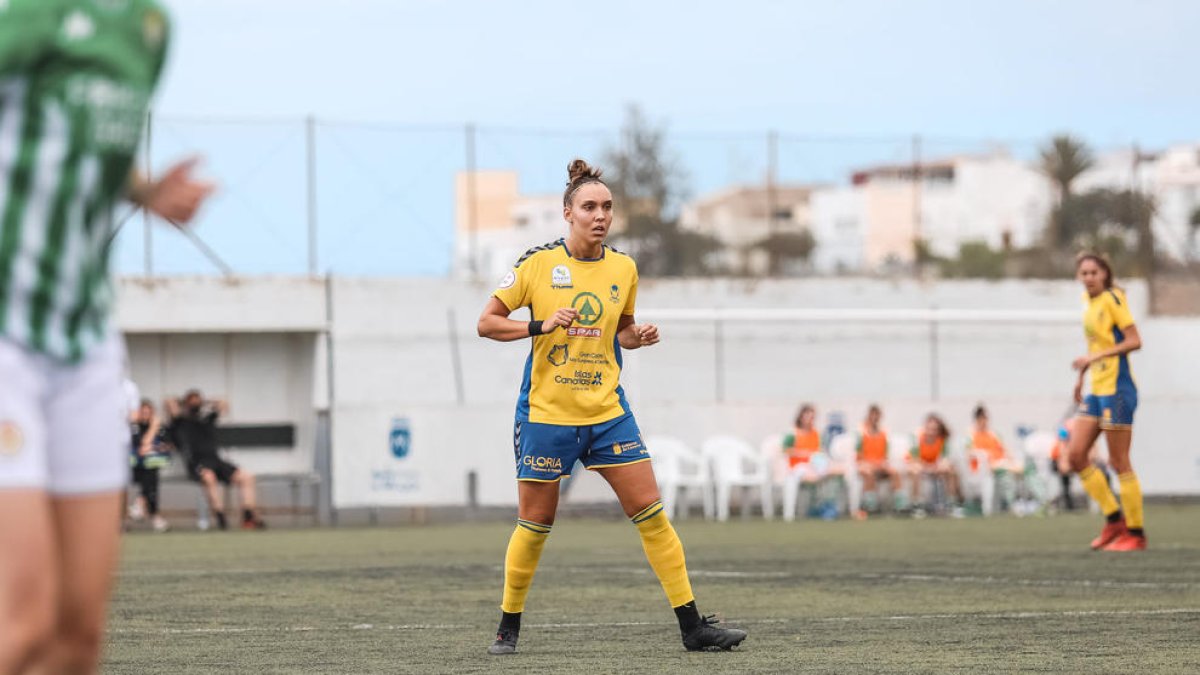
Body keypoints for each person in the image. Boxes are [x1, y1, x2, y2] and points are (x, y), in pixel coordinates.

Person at [0, 2, 213, 671]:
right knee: (22, 626)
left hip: (86, 345)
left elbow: (85, 150)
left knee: (76, 638)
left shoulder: (148, 29)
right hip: (6, 335)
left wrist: (147, 192)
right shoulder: (29, 19)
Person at [476, 159, 746, 655]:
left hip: (607, 415)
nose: (600, 215)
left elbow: (620, 329)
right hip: (546, 417)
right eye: (589, 207)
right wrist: (539, 326)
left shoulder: (624, 268)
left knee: (652, 515)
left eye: (606, 207)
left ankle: (693, 627)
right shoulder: (537, 264)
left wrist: (635, 337)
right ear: (567, 213)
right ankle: (507, 629)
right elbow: (487, 323)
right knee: (535, 527)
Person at [1068, 252, 1146, 551]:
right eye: (1084, 273)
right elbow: (1096, 345)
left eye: (1093, 272)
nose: (1088, 278)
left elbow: (1134, 341)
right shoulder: (1088, 303)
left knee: (1118, 461)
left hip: (1119, 389)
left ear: (1105, 274)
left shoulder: (1114, 299)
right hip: (1096, 389)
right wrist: (1081, 377)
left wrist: (1094, 357)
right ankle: (1114, 521)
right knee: (1075, 456)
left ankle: (1136, 533)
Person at [165, 390, 265, 530]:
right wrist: (185, 403)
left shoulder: (206, 418)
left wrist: (204, 402)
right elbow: (169, 401)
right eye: (192, 401)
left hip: (215, 460)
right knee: (209, 477)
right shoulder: (180, 421)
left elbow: (224, 404)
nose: (195, 404)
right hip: (197, 463)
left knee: (247, 477)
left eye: (197, 400)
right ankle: (220, 516)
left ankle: (248, 515)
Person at [780, 404, 839, 520]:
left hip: (815, 464)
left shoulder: (816, 433)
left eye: (813, 417)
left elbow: (819, 451)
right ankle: (815, 506)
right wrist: (803, 453)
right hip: (798, 467)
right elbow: (785, 450)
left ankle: (825, 505)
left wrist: (819, 458)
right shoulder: (793, 433)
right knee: (816, 476)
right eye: (808, 416)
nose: (811, 420)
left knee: (836, 471)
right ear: (801, 417)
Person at [969, 405, 1025, 510]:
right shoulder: (971, 435)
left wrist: (1010, 459)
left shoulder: (993, 434)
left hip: (1000, 464)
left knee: (1020, 469)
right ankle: (1011, 505)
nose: (984, 421)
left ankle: (1016, 502)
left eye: (985, 418)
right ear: (977, 419)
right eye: (981, 418)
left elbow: (1004, 449)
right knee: (1007, 475)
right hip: (984, 468)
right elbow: (969, 452)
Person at [128, 399, 170, 532]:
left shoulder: (159, 428)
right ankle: (154, 516)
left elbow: (166, 445)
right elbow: (141, 445)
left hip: (151, 465)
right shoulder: (134, 427)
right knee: (150, 478)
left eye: (148, 412)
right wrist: (153, 428)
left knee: (151, 475)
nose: (145, 415)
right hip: (133, 468)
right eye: (143, 412)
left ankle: (140, 503)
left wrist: (155, 445)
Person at [907, 413, 961, 512]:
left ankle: (952, 503)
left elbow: (944, 459)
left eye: (934, 429)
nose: (931, 432)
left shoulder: (942, 441)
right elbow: (915, 460)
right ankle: (917, 504)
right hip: (922, 467)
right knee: (915, 470)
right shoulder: (917, 439)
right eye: (929, 429)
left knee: (951, 471)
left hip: (935, 468)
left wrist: (937, 467)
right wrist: (927, 467)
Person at [856, 404, 902, 514]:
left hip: (880, 465)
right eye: (872, 416)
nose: (875, 419)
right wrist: (869, 464)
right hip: (866, 466)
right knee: (869, 472)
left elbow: (885, 456)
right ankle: (870, 504)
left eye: (877, 416)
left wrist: (883, 464)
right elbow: (858, 456)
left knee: (895, 473)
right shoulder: (861, 434)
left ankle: (900, 504)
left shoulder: (883, 434)